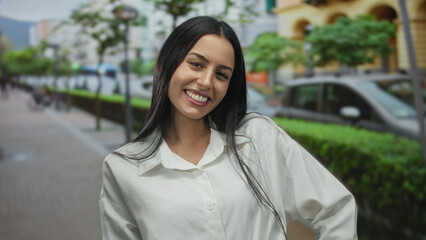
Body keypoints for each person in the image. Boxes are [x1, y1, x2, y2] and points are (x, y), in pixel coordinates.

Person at [99, 16, 357, 240]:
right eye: (197, 64)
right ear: (166, 65)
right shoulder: (123, 168)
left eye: (221, 74)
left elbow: (336, 208)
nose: (205, 82)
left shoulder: (258, 137)